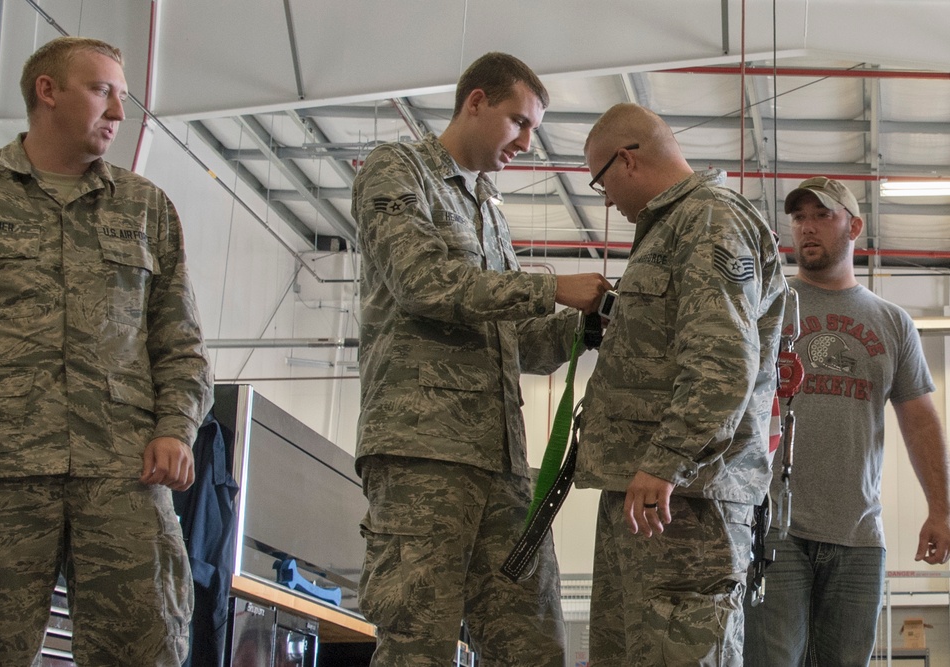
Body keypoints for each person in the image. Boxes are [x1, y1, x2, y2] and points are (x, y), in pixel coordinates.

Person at [0, 36, 212, 666]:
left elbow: (180, 342)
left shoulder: (146, 208)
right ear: (48, 91)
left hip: (122, 470)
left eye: (123, 97)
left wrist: (176, 427)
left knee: (147, 647)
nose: (120, 115)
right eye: (103, 91)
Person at [351, 52, 610, 666]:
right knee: (418, 641)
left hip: (501, 461)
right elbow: (423, 282)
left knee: (533, 645)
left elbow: (518, 339)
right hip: (422, 452)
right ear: (476, 102)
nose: (526, 141)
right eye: (518, 121)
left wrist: (586, 326)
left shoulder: (488, 211)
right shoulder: (398, 170)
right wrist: (551, 287)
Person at [574, 103, 787, 666]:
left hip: (686, 498)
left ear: (626, 160)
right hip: (653, 495)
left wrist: (667, 457)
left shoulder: (709, 219)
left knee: (683, 650)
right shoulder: (673, 228)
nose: (606, 199)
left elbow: (723, 358)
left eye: (600, 182)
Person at [743, 177, 950, 666]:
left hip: (859, 536)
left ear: (854, 226)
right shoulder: (766, 307)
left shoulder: (893, 322)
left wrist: (941, 510)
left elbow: (920, 422)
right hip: (775, 527)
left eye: (822, 216)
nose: (807, 228)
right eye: (798, 218)